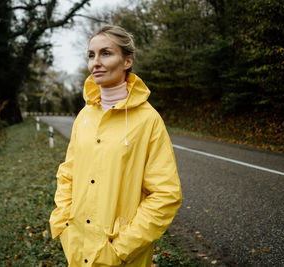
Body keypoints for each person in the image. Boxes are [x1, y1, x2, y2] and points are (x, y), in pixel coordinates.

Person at [49, 25, 182, 266]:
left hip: (123, 257)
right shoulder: (84, 117)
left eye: (106, 53)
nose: (96, 62)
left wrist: (121, 248)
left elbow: (165, 195)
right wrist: (63, 223)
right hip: (78, 249)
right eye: (91, 55)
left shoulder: (148, 120)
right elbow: (68, 174)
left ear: (127, 61)